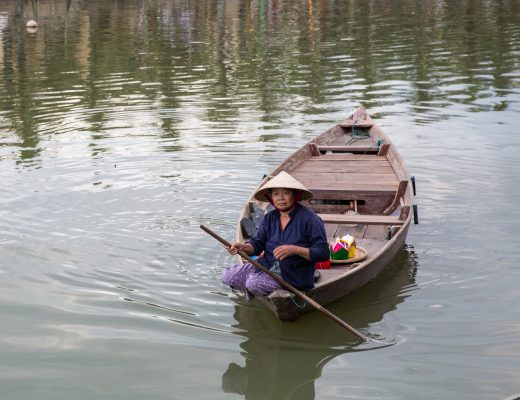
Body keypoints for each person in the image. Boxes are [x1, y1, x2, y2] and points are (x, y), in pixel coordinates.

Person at [222, 171, 330, 299]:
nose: (280, 198)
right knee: (228, 276)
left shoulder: (310, 219)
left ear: (295, 195)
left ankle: (273, 290)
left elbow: (323, 253)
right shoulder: (270, 218)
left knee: (253, 283)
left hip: (294, 275)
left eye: (285, 193)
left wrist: (294, 250)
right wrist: (243, 247)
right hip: (266, 266)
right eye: (276, 194)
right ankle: (262, 288)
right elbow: (257, 245)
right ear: (271, 198)